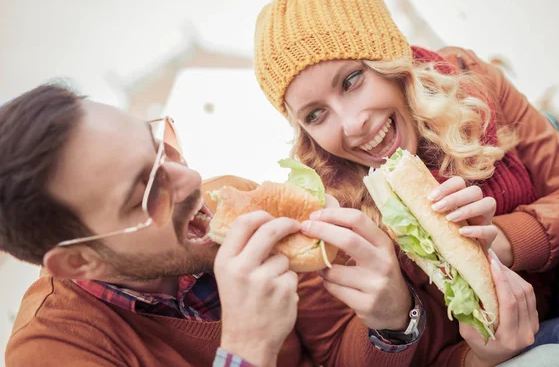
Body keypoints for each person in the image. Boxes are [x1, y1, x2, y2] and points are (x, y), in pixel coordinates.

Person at [253, 0, 559, 364]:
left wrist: (500, 241)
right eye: (315, 115)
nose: (352, 125)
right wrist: (405, 323)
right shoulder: (321, 215)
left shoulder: (468, 78)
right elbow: (337, 357)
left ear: (389, 60)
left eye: (351, 80)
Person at [1, 84, 436, 367]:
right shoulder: (51, 352)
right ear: (78, 261)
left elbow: (336, 353)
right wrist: (246, 351)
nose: (191, 179)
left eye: (161, 146)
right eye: (146, 192)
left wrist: (392, 322)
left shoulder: (232, 201)